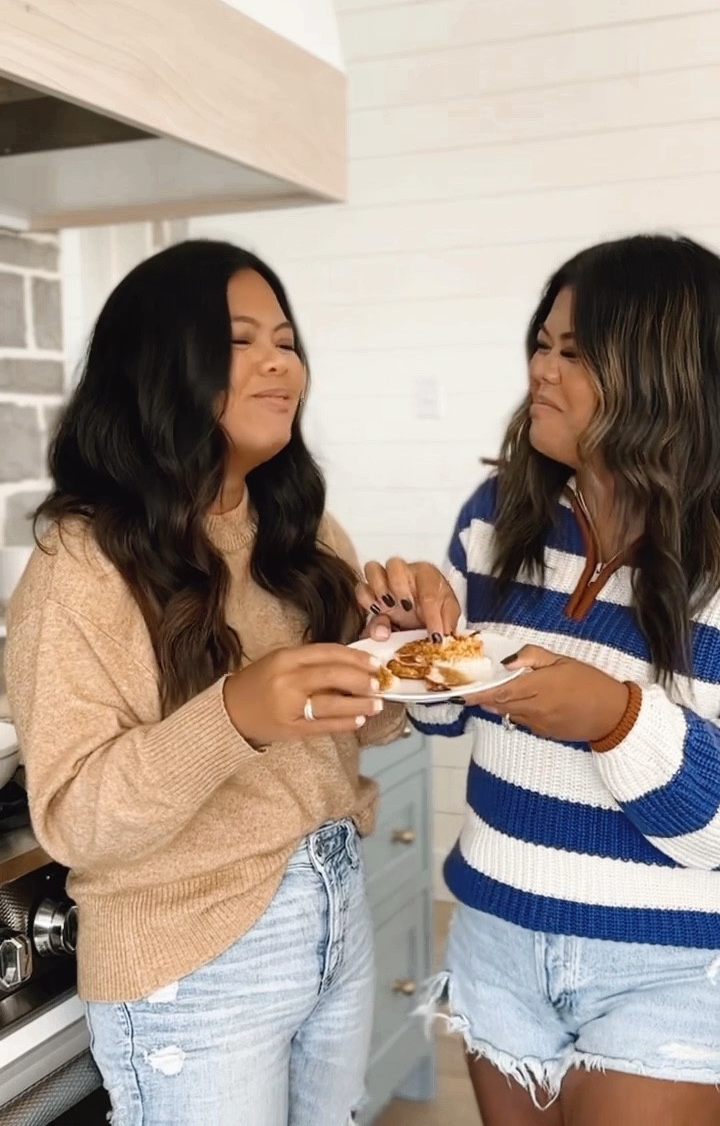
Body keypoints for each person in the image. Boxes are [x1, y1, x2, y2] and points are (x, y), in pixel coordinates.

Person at [5, 240, 458, 1126]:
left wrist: (389, 661)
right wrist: (236, 716)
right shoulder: (80, 566)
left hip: (332, 903)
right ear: (159, 368)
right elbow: (73, 817)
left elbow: (351, 731)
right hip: (192, 956)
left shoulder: (298, 524)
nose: (281, 361)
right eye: (242, 341)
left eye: (285, 340)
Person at [393, 234, 720, 1126]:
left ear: (663, 373)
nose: (542, 369)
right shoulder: (498, 515)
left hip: (672, 964)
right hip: (496, 937)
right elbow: (447, 720)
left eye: (573, 353)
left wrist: (613, 718)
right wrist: (417, 647)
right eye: (542, 343)